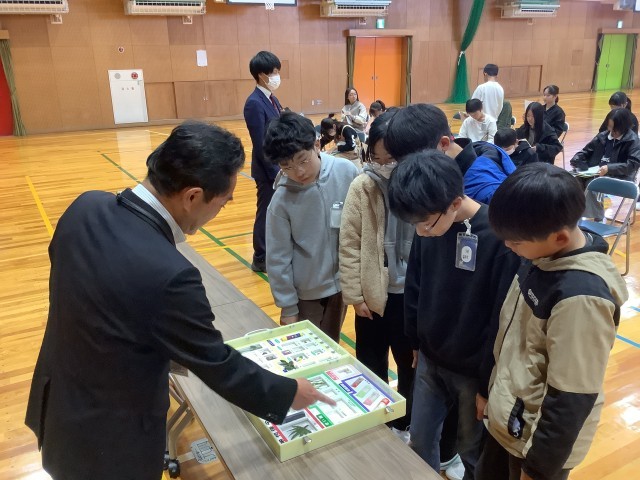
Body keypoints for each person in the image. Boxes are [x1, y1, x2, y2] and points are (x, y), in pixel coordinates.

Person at [24, 121, 335, 480]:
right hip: (112, 443)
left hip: (58, 408)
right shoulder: (171, 275)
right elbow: (216, 364)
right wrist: (287, 391)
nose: (220, 212)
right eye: (223, 203)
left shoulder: (85, 207)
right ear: (192, 197)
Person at [477, 163, 628, 480]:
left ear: (560, 237)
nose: (508, 246)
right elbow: (508, 335)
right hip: (508, 419)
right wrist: (488, 392)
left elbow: (571, 397)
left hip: (536, 447)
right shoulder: (539, 254)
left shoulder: (582, 299)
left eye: (516, 242)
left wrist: (538, 470)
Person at [388, 151, 520, 480]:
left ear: (455, 203)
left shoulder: (500, 240)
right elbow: (415, 283)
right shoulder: (428, 225)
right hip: (430, 358)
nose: (421, 232)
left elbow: (501, 321)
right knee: (420, 439)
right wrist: (415, 340)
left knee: (472, 451)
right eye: (415, 225)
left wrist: (487, 386)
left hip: (473, 371)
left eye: (426, 223)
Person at [339, 111, 414, 442]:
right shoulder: (362, 185)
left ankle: (404, 423)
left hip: (408, 297)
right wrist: (355, 296)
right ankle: (376, 425)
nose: (383, 166)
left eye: (391, 159)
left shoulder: (416, 184)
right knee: (370, 363)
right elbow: (349, 245)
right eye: (377, 158)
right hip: (371, 296)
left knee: (409, 365)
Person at [264, 112, 360, 342]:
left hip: (342, 285)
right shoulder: (281, 201)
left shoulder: (346, 172)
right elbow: (278, 258)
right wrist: (288, 307)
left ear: (317, 145)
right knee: (307, 351)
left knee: (332, 343)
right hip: (306, 295)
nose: (298, 172)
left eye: (303, 160)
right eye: (286, 167)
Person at [385, 104, 516, 205]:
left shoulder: (486, 192)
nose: (411, 170)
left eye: (414, 164)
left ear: (443, 143)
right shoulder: (475, 151)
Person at [243, 51, 283, 273]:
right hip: (268, 170)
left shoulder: (272, 99)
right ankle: (260, 256)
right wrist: (274, 171)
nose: (277, 76)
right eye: (274, 72)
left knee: (275, 212)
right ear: (261, 75)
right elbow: (260, 144)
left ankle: (273, 251)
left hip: (279, 166)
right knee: (265, 212)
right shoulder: (254, 103)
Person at [570, 107, 640, 219]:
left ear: (623, 127)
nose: (610, 130)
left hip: (620, 176)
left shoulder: (633, 141)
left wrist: (609, 168)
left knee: (593, 184)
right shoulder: (603, 136)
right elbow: (586, 151)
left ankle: (594, 219)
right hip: (596, 172)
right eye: (609, 126)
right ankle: (574, 214)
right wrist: (577, 159)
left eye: (614, 128)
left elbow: (632, 165)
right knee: (571, 179)